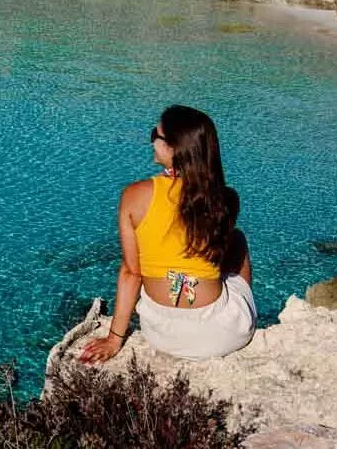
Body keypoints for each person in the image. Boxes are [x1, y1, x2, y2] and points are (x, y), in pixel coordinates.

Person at [80, 106, 256, 364]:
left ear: (174, 147)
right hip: (223, 334)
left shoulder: (135, 195)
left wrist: (115, 338)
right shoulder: (225, 199)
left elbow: (132, 272)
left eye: (156, 134)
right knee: (237, 239)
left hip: (162, 333)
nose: (152, 141)